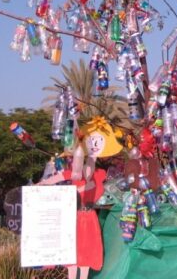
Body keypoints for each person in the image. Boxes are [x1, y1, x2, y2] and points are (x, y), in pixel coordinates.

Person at [37, 117, 123, 279]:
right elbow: (57, 177)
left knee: (86, 253)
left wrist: (93, 152)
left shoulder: (96, 175)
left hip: (88, 218)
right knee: (72, 253)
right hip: (73, 218)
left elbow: (90, 163)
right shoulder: (73, 175)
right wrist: (42, 184)